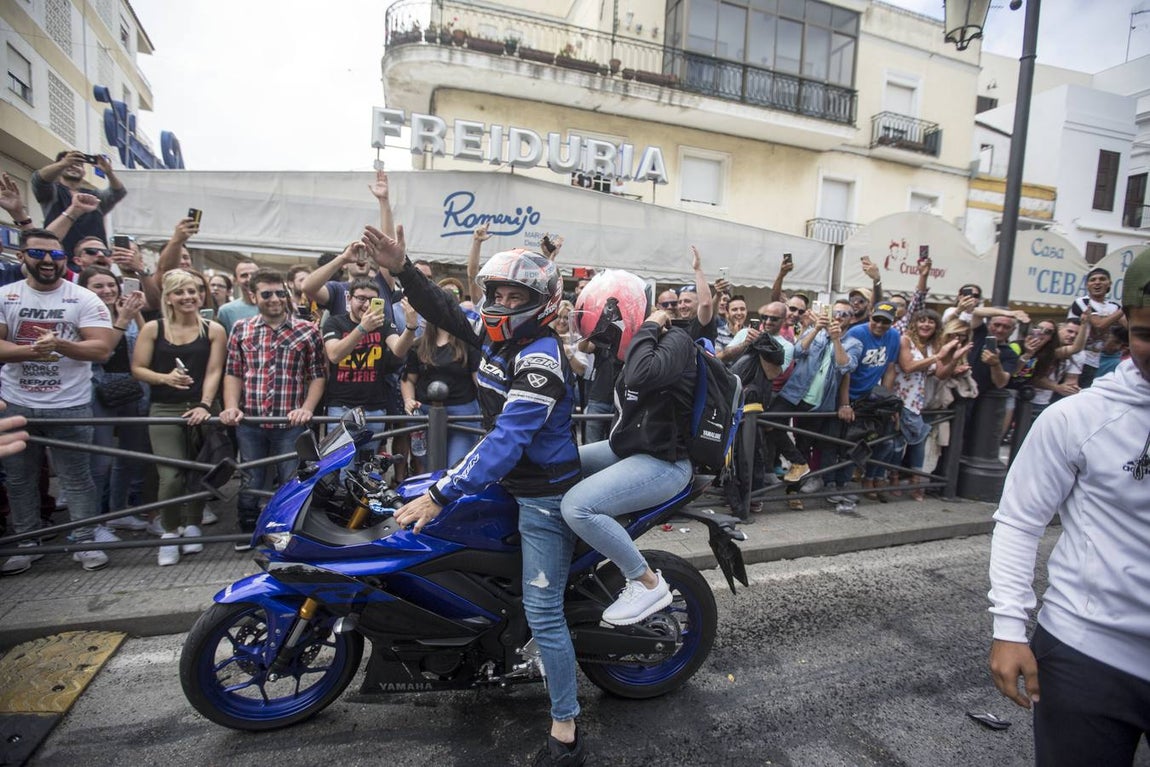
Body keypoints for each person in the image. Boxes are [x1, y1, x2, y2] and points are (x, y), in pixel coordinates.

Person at [362, 225, 586, 766]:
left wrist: (442, 493)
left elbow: (508, 439)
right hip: (510, 482)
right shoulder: (497, 336)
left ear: (540, 303)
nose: (502, 303)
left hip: (542, 497)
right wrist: (403, 267)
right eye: (497, 293)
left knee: (544, 610)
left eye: (515, 296)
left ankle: (566, 726)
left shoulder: (539, 356)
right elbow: (442, 309)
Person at [987, 247, 1150, 767]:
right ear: (1125, 330)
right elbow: (1020, 519)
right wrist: (1009, 627)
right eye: (1147, 334)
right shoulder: (1076, 418)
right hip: (1087, 650)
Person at [562, 270, 690, 626]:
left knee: (578, 507)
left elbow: (642, 376)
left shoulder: (675, 339)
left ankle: (646, 582)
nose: (605, 341)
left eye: (608, 330)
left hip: (666, 461)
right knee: (557, 465)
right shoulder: (633, 345)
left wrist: (647, 325)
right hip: (631, 449)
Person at [0, 229, 115, 575]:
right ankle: (27, 542)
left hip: (70, 403)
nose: (48, 260)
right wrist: (33, 351)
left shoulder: (83, 298)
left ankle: (85, 541)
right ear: (22, 256)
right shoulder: (6, 295)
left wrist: (60, 345)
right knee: (19, 479)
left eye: (56, 255)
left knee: (77, 477)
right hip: (17, 402)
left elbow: (101, 348)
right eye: (38, 253)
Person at [220, 270, 326, 548]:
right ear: (253, 296)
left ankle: (284, 530)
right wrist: (230, 407)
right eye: (267, 294)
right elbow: (233, 372)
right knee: (250, 477)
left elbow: (317, 375)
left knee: (291, 479)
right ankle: (246, 528)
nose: (275, 299)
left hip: (290, 421)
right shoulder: (241, 328)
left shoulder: (307, 330)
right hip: (250, 420)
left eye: (280, 293)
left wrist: (307, 408)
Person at [132, 270, 227, 565]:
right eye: (180, 292)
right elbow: (138, 368)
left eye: (193, 291)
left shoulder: (213, 329)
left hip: (203, 407)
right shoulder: (153, 328)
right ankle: (170, 532)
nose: (188, 297)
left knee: (199, 471)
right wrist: (165, 378)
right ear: (168, 298)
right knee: (170, 475)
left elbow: (214, 371)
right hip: (164, 408)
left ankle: (193, 524)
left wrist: (205, 405)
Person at [78, 266, 150, 530]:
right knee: (101, 460)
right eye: (98, 286)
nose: (107, 291)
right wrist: (122, 320)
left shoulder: (126, 312)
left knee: (129, 456)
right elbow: (103, 353)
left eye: (111, 285)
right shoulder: (82, 316)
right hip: (98, 392)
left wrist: (135, 312)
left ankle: (118, 512)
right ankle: (94, 523)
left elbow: (148, 340)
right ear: (85, 289)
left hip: (133, 390)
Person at [324, 278, 417, 442]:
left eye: (372, 300)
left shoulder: (383, 324)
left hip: (374, 408)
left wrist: (410, 327)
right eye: (361, 298)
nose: (367, 305)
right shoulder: (335, 322)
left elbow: (399, 350)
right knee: (342, 458)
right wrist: (362, 328)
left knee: (369, 458)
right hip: (341, 407)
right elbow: (334, 355)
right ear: (349, 299)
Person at [891, 309, 962, 500]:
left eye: (931, 321)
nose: (926, 324)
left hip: (919, 401)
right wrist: (939, 356)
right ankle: (893, 478)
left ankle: (916, 481)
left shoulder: (934, 346)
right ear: (914, 323)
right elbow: (907, 366)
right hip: (900, 398)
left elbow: (940, 374)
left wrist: (954, 359)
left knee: (918, 442)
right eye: (922, 320)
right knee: (897, 442)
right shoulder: (905, 340)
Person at [30, 150, 127, 257]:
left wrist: (109, 172)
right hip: (59, 258)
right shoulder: (52, 192)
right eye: (70, 163)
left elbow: (118, 192)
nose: (73, 166)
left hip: (94, 258)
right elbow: (39, 179)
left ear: (84, 171)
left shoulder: (95, 196)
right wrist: (64, 163)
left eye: (78, 165)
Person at [1067, 267, 1125, 389]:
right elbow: (1099, 325)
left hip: (1096, 361)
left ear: (1109, 283)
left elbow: (1129, 327)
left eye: (1102, 279)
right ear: (1087, 285)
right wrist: (1125, 308)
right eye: (1093, 280)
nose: (1097, 282)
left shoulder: (1114, 306)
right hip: (1074, 358)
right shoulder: (1082, 302)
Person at [215, 259, 261, 334]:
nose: (249, 279)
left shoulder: (272, 306)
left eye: (254, 275)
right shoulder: (225, 311)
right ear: (235, 280)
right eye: (244, 275)